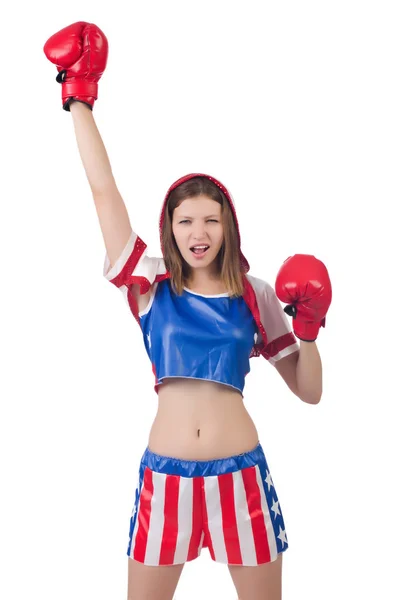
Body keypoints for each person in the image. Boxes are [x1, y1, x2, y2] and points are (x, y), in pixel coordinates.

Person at [44, 21, 332, 600]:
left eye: (210, 220)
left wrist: (308, 329)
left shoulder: (254, 293)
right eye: (185, 221)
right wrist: (79, 98)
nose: (198, 232)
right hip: (166, 476)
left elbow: (309, 391)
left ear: (228, 226)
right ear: (169, 230)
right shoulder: (149, 284)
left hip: (240, 475)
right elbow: (105, 193)